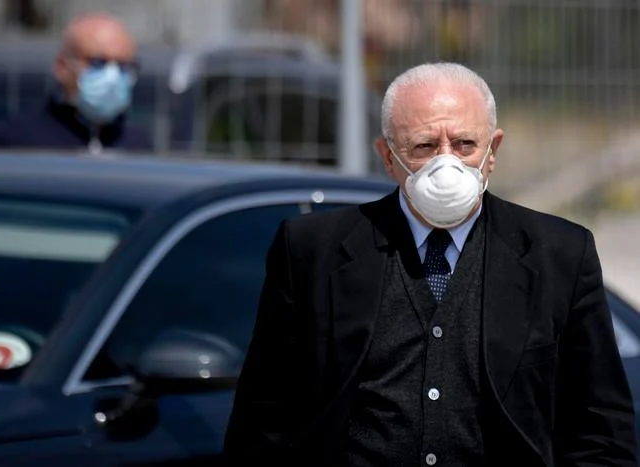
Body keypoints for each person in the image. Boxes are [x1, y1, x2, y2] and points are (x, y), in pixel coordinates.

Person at [224, 62, 638, 466]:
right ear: (388, 157)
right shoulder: (314, 252)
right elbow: (263, 425)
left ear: (492, 151)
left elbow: (601, 431)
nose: (447, 163)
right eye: (424, 147)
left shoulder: (558, 254)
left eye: (464, 145)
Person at [0, 12, 152, 154]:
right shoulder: (14, 142)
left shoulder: (139, 145)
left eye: (123, 66)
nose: (112, 77)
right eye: (98, 63)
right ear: (62, 67)